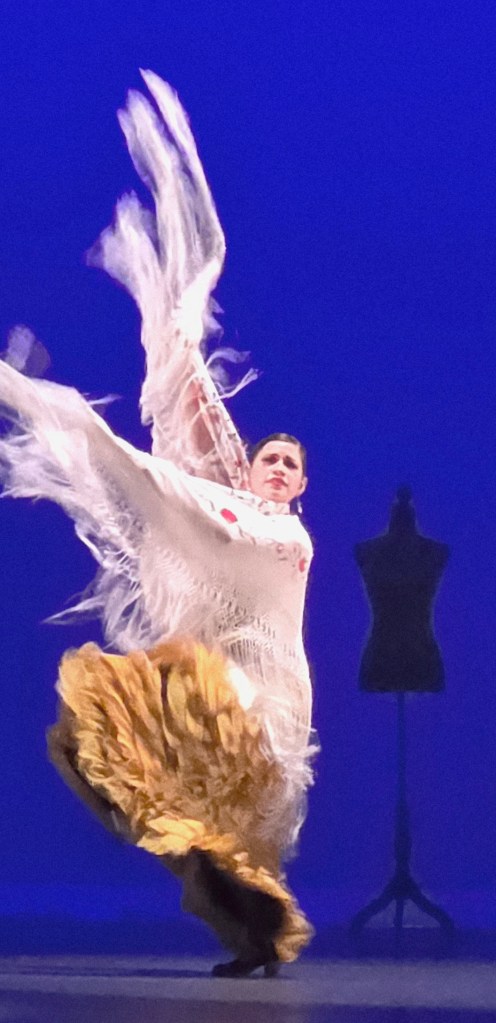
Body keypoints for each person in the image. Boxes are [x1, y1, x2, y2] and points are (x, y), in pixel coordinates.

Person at [0, 72, 316, 977]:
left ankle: (254, 921)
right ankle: (247, 930)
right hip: (214, 675)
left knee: (235, 815)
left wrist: (118, 455)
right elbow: (192, 423)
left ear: (299, 487)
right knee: (132, 758)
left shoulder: (287, 538)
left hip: (263, 696)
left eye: (291, 467)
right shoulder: (232, 492)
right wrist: (168, 336)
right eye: (270, 458)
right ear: (253, 465)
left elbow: (212, 521)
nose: (277, 469)